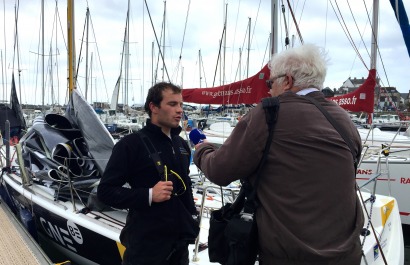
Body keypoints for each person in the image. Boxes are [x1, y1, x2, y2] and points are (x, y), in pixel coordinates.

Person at [192, 44, 364, 264]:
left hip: (290, 255)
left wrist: (202, 149)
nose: (268, 90)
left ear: (288, 81)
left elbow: (220, 171)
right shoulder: (344, 119)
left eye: (270, 83)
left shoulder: (269, 112)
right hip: (346, 254)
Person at [98, 82, 199, 265]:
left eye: (181, 105)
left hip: (179, 247)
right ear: (154, 107)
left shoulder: (181, 145)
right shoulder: (130, 145)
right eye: (172, 104)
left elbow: (186, 186)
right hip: (145, 249)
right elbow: (105, 191)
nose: (179, 110)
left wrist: (192, 216)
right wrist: (149, 195)